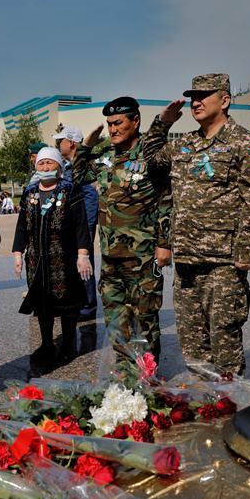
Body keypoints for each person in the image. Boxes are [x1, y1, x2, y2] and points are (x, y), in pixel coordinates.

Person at [143, 73, 250, 375]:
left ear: (224, 100)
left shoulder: (245, 145)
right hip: (187, 259)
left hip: (223, 262)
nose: (195, 102)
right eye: (192, 97)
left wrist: (244, 251)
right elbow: (150, 159)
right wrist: (163, 123)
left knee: (224, 338)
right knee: (193, 341)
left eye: (203, 96)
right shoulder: (185, 144)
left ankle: (228, 406)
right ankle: (204, 403)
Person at [73, 97, 177, 361]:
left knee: (145, 319)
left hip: (142, 258)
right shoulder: (107, 157)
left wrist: (165, 244)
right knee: (115, 319)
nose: (113, 129)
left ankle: (148, 378)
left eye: (118, 123)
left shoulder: (151, 154)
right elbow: (77, 176)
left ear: (135, 121)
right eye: (109, 124)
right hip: (111, 259)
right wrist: (86, 145)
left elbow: (166, 199)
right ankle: (125, 373)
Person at [13, 147, 92, 368]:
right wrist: (18, 254)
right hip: (36, 260)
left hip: (64, 259)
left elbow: (81, 224)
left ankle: (68, 344)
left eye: (50, 163)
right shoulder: (29, 193)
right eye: (41, 163)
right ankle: (47, 343)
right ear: (36, 166)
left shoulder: (70, 190)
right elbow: (21, 227)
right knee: (42, 303)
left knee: (67, 304)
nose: (46, 167)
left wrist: (83, 254)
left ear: (59, 166)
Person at [52, 126, 100, 320]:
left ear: (71, 143)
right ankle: (81, 301)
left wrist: (85, 228)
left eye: (60, 141)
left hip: (83, 225)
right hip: (74, 224)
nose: (57, 145)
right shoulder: (71, 166)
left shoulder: (85, 165)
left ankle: (88, 306)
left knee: (84, 261)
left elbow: (90, 198)